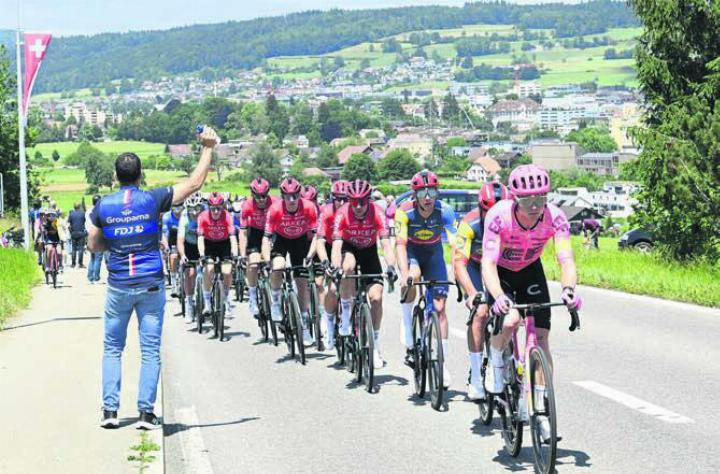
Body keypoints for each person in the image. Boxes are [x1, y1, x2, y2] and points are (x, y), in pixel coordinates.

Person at [88, 126, 218, 430]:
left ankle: (110, 411)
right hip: (150, 283)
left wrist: (115, 242)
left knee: (112, 348)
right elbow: (194, 183)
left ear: (116, 175)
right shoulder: (152, 199)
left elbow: (93, 244)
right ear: (139, 174)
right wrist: (208, 147)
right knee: (149, 349)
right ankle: (146, 414)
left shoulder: (102, 206)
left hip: (119, 285)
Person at [481, 164, 582, 442]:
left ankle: (541, 408)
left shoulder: (556, 217)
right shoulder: (498, 216)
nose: (536, 205)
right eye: (528, 199)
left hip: (529, 270)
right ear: (515, 198)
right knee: (512, 320)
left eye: (541, 197)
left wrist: (569, 289)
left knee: (541, 337)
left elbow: (566, 260)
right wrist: (499, 296)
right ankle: (496, 363)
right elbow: (487, 263)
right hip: (501, 272)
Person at [395, 170, 457, 387]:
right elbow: (400, 245)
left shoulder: (445, 211)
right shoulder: (404, 212)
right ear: (415, 195)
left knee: (440, 308)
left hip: (433, 254)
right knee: (413, 276)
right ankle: (406, 318)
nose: (428, 197)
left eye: (432, 191)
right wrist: (404, 274)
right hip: (412, 253)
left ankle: (442, 363)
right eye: (422, 193)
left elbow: (457, 246)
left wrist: (458, 272)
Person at [453, 181, 510, 400]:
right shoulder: (470, 224)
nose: (496, 213)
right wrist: (471, 293)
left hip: (499, 267)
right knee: (481, 313)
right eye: (489, 210)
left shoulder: (510, 221)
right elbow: (458, 263)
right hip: (474, 266)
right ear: (481, 208)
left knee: (510, 311)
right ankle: (476, 375)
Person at [331, 180, 396, 369]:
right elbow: (336, 247)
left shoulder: (378, 212)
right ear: (349, 200)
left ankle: (375, 346)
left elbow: (385, 244)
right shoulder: (342, 212)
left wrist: (391, 267)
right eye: (354, 202)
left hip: (369, 252)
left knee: (376, 298)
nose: (358, 206)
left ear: (369, 200)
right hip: (350, 249)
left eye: (363, 201)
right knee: (348, 267)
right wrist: (337, 268)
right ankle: (346, 315)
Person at [262, 176, 318, 346]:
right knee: (278, 267)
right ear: (283, 196)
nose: (292, 200)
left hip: (300, 241)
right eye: (288, 196)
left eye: (295, 196)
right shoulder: (275, 209)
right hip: (281, 239)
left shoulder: (309, 207)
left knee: (301, 283)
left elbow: (316, 236)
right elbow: (266, 238)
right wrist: (266, 260)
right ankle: (277, 302)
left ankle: (305, 325)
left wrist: (310, 255)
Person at [311, 180, 348, 349]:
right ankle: (329, 320)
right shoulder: (326, 211)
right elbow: (319, 240)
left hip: (347, 246)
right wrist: (325, 260)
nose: (341, 203)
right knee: (332, 288)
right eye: (337, 199)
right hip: (328, 245)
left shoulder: (352, 212)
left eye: (345, 199)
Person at [239, 177, 276, 318]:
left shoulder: (275, 202)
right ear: (252, 194)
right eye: (258, 196)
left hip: (272, 233)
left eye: (264, 196)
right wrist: (243, 254)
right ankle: (253, 297)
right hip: (255, 233)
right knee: (253, 264)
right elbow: (242, 232)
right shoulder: (247, 205)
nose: (261, 199)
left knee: (276, 263)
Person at [197, 192, 238, 317]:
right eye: (213, 208)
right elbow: (200, 239)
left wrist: (235, 254)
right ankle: (207, 302)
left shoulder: (227, 216)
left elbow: (232, 238)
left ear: (222, 207)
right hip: (209, 244)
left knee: (227, 271)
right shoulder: (202, 216)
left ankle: (225, 298)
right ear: (208, 207)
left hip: (224, 243)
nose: (216, 211)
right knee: (208, 269)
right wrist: (202, 255)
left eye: (218, 208)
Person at [177, 192, 204, 323]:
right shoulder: (184, 217)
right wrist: (182, 255)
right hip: (189, 245)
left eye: (197, 208)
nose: (194, 212)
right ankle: (189, 303)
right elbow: (180, 240)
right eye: (191, 209)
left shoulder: (206, 214)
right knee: (190, 272)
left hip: (204, 243)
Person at [161, 203, 184, 296]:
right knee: (173, 257)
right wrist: (166, 246)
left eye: (180, 207)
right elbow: (165, 234)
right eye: (175, 208)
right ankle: (174, 283)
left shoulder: (186, 215)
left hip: (185, 238)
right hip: (173, 238)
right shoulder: (167, 217)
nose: (178, 211)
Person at [86, 195, 106, 284]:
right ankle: (96, 277)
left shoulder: (88, 211)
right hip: (98, 235)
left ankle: (90, 277)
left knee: (92, 257)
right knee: (98, 258)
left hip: (89, 235)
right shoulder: (100, 211)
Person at [68, 202, 87, 268]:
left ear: (74, 207)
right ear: (79, 206)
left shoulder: (71, 214)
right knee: (81, 248)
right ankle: (80, 263)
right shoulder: (82, 213)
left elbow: (69, 222)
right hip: (81, 232)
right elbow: (84, 221)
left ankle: (73, 264)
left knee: (73, 248)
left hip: (73, 232)